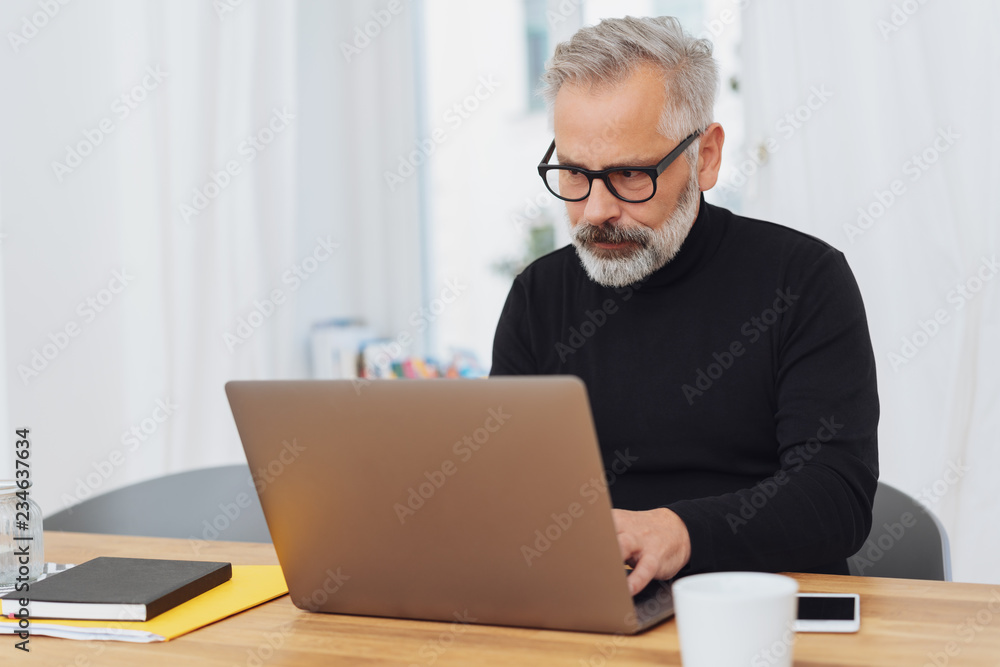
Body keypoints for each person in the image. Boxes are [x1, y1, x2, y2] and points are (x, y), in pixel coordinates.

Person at [490, 16, 879, 596]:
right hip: (592, 609)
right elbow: (505, 492)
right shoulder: (538, 296)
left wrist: (681, 532)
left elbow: (835, 496)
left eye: (628, 174)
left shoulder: (804, 280)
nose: (595, 211)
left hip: (760, 610)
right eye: (574, 174)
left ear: (707, 157)